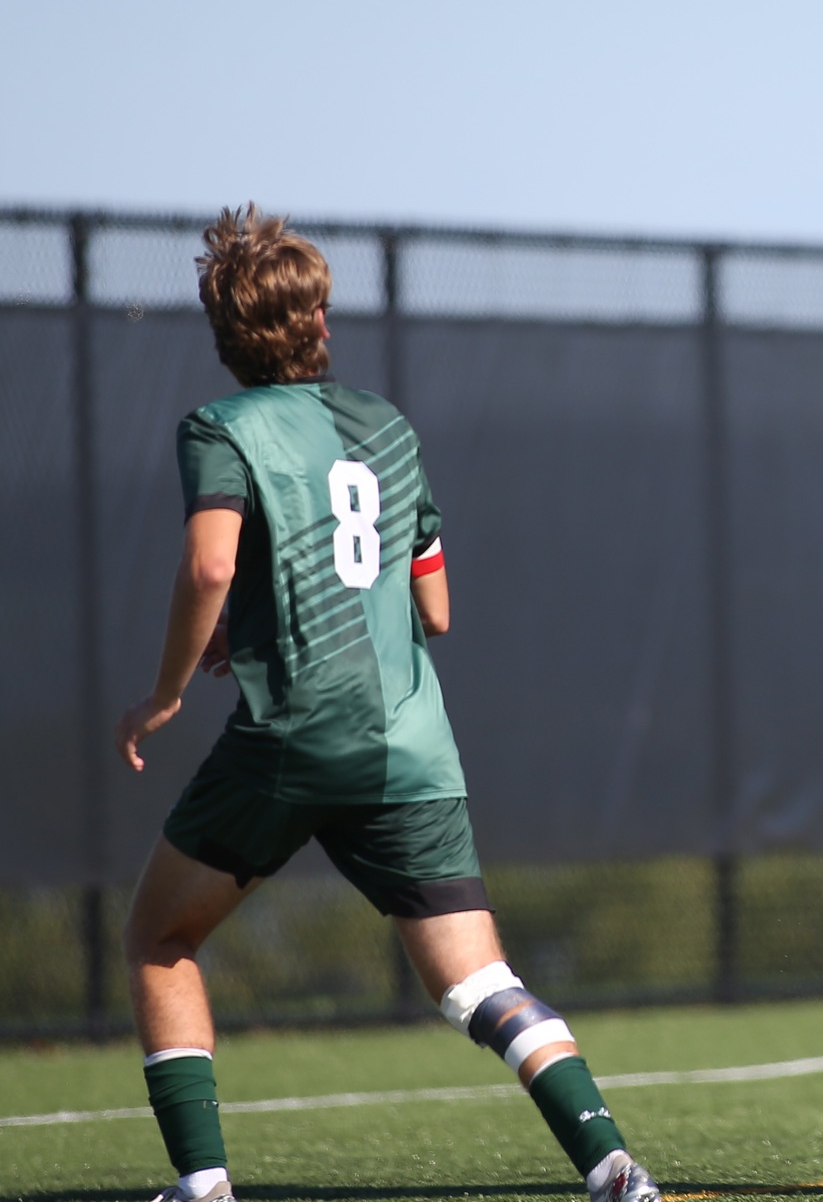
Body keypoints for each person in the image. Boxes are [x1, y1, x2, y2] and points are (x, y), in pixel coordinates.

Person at [114, 207, 663, 1202]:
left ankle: (202, 1188)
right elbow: (434, 611)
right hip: (407, 743)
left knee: (159, 940)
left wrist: (162, 694)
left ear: (226, 334)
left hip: (290, 744)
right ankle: (610, 1164)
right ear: (319, 321)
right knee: (477, 984)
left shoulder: (220, 427)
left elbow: (209, 561)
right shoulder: (386, 426)